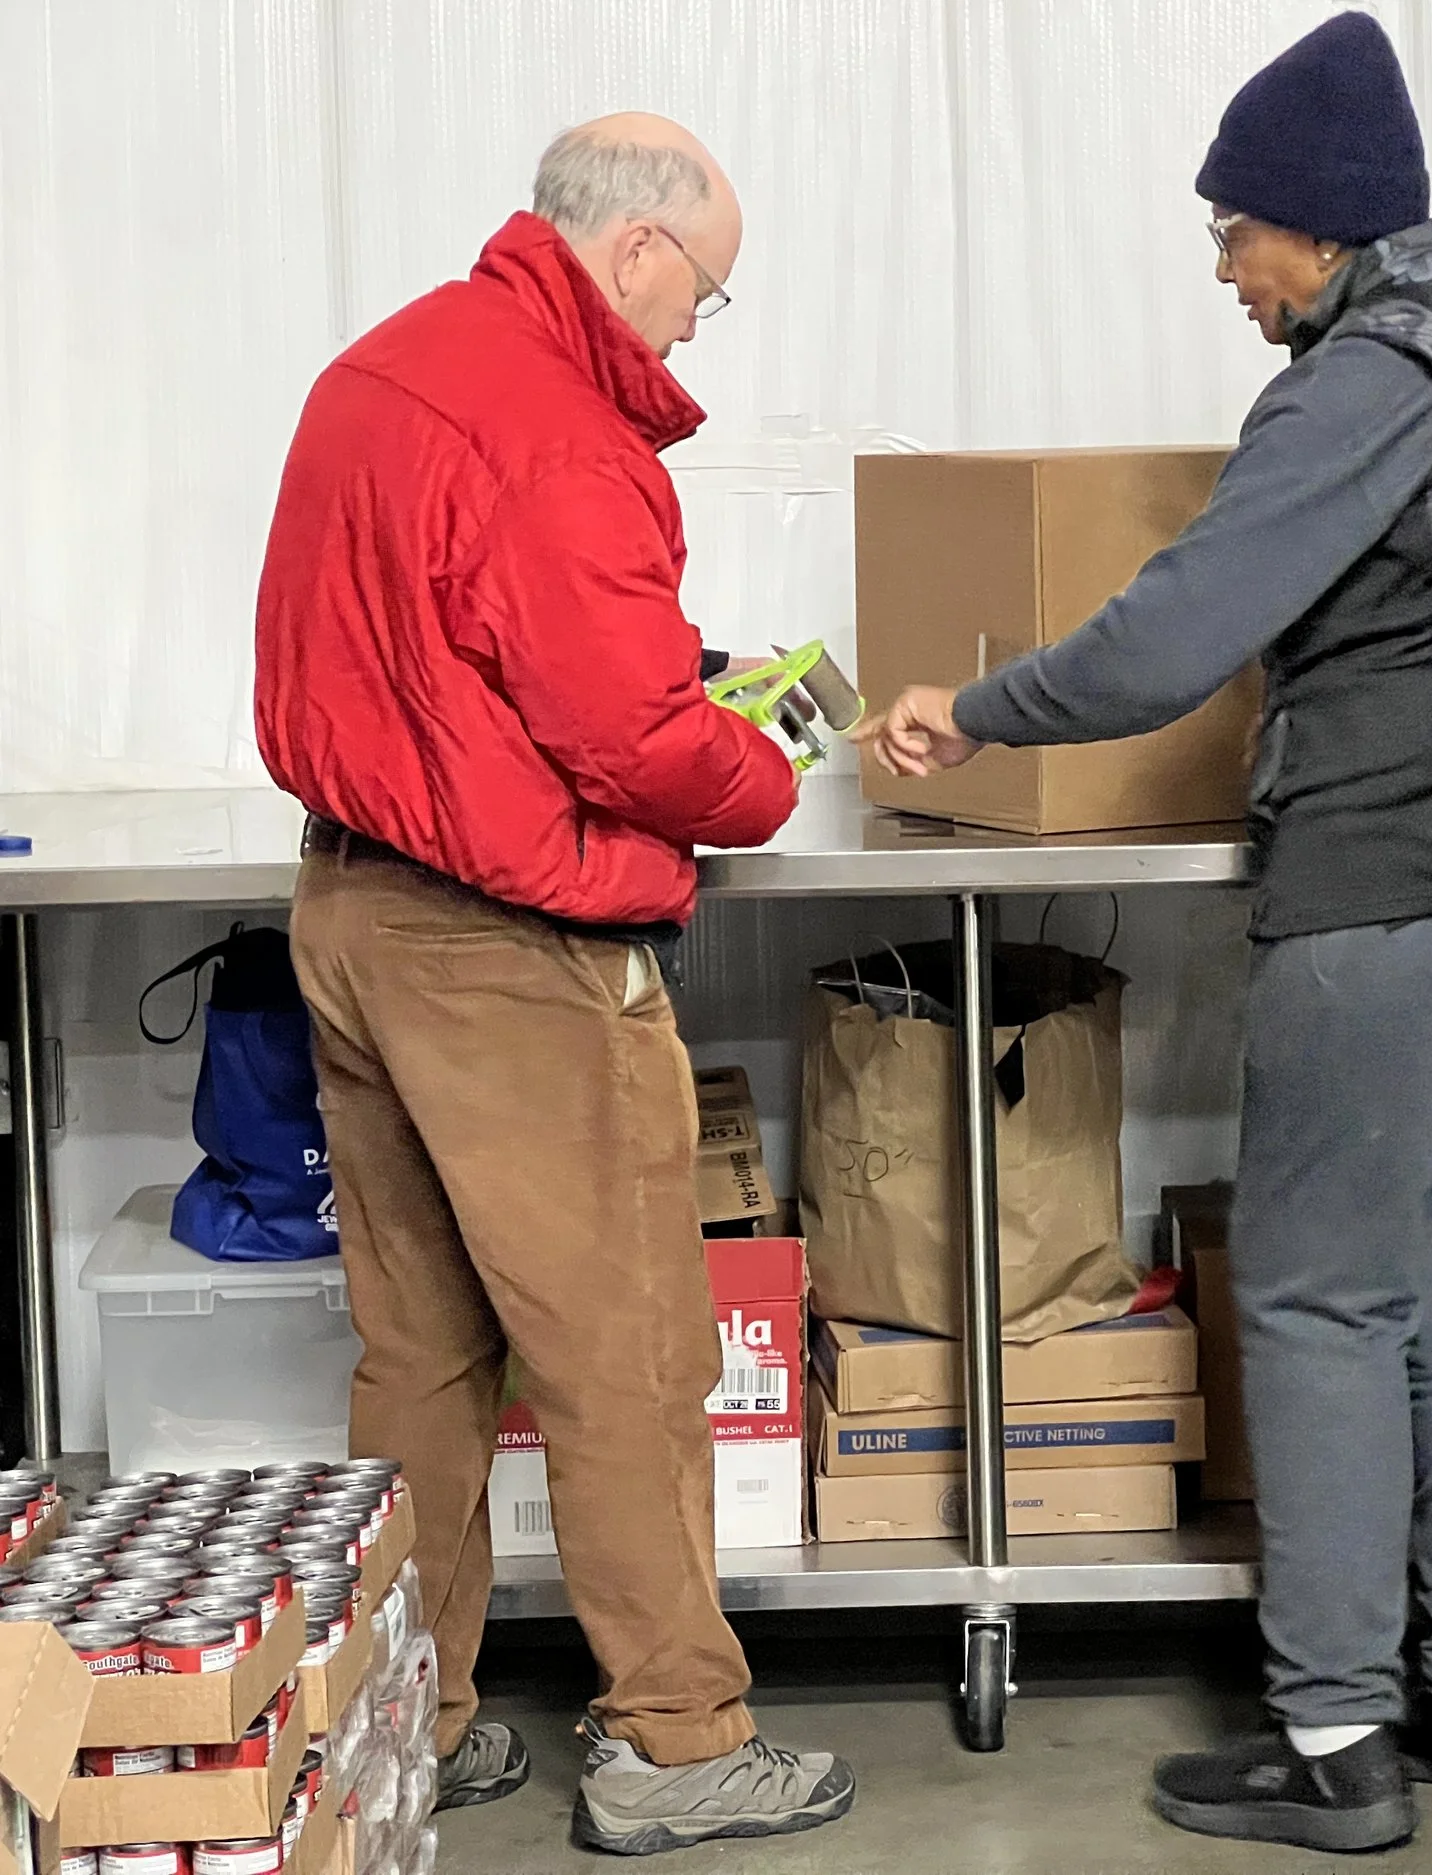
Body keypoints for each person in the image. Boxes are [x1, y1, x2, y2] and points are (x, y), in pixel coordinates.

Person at [861, 15, 1432, 1854]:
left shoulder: (1359, 378)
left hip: (1395, 898)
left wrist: (979, 711)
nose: (1223, 270)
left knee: (1317, 1303)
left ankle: (1339, 1739)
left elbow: (1175, 629)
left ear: (1322, 222)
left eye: (1233, 232)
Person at [254, 115, 856, 1856]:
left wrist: (665, 680)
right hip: (509, 953)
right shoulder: (558, 429)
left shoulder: (380, 371)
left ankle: (410, 1716)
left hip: (352, 914)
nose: (692, 333)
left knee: (421, 1355)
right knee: (629, 1357)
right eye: (706, 294)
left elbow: (452, 648)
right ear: (642, 249)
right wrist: (759, 770)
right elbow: (627, 735)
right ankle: (677, 1740)